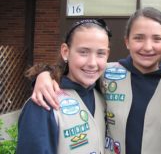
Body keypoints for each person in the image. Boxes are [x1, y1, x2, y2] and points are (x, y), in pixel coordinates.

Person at [29, 7, 161, 154]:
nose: (148, 47)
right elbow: (73, 76)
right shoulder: (106, 74)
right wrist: (44, 75)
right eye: (139, 38)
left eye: (157, 39)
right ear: (127, 42)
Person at [16, 19, 112, 154]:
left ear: (107, 54)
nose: (92, 63)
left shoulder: (103, 93)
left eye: (100, 53)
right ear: (66, 52)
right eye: (83, 52)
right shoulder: (44, 102)